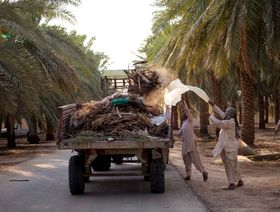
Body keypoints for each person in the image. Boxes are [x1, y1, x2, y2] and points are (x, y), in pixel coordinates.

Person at [208, 100, 243, 190]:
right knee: (235, 164)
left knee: (228, 165)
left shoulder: (229, 122)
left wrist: (210, 116)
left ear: (230, 114)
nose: (225, 113)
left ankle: (231, 183)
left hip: (228, 147)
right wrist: (214, 105)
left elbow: (219, 124)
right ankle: (239, 180)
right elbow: (221, 114)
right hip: (230, 146)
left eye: (227, 112)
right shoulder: (230, 120)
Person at [179, 101, 208, 182]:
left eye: (185, 112)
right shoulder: (184, 122)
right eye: (183, 112)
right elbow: (181, 132)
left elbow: (188, 112)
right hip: (185, 144)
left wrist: (184, 104)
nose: (184, 113)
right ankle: (188, 175)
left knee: (195, 159)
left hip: (191, 143)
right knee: (186, 160)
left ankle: (204, 172)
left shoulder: (190, 120)